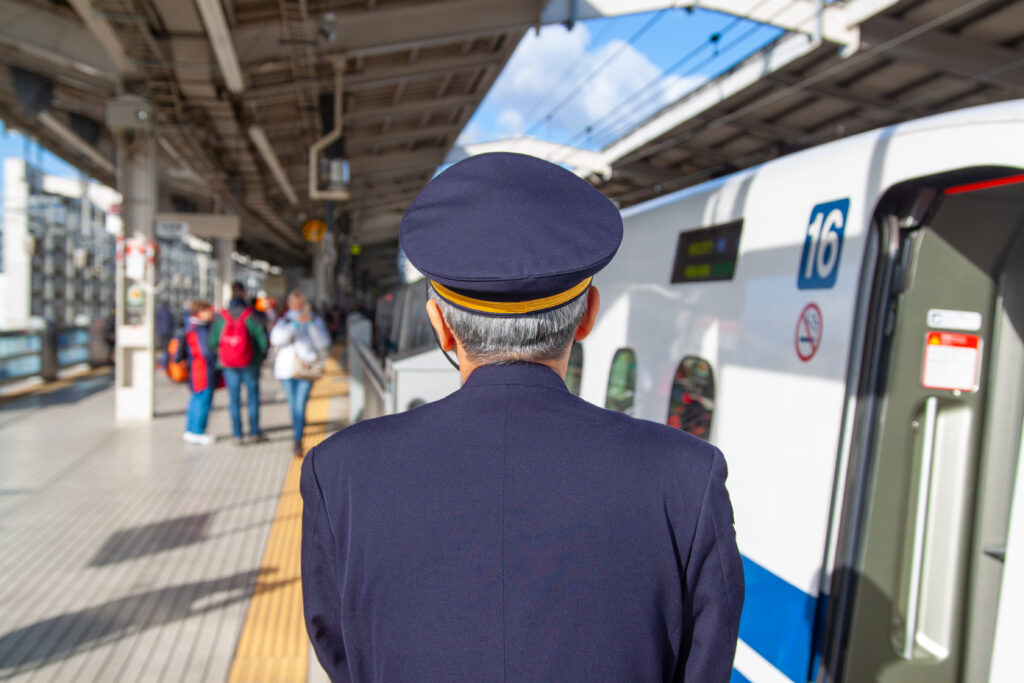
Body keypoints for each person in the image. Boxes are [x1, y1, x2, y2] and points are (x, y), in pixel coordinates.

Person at [300, 153, 744, 681]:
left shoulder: (339, 473)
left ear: (440, 327)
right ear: (588, 315)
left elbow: (343, 655)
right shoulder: (688, 479)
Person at [270, 290, 331, 457]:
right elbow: (276, 340)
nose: (298, 306)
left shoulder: (314, 320)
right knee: (293, 405)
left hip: (306, 369)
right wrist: (295, 325)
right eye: (295, 303)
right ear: (290, 304)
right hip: (286, 370)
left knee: (300, 404)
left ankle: (297, 438)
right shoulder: (284, 321)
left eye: (300, 303)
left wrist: (310, 325)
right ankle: (298, 432)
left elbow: (323, 343)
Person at [210, 282, 269, 445]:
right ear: (244, 294)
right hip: (251, 363)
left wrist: (224, 354)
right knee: (253, 398)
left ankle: (237, 434)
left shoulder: (222, 317)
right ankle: (255, 432)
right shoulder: (251, 314)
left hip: (229, 365)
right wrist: (260, 358)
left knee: (234, 400)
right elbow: (263, 340)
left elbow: (213, 341)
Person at [182, 300, 217, 445]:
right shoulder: (201, 329)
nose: (211, 313)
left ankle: (191, 429)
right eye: (208, 311)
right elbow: (205, 351)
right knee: (203, 400)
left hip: (196, 368)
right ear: (200, 313)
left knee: (196, 399)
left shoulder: (192, 326)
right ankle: (197, 431)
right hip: (203, 369)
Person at [155, 301, 175, 369]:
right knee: (166, 348)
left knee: (162, 348)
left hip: (160, 331)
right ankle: (165, 364)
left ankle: (162, 363)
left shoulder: (159, 311)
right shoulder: (169, 312)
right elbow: (172, 322)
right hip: (168, 332)